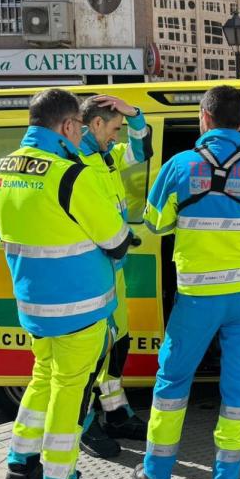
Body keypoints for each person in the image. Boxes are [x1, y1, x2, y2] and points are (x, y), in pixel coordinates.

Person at [132, 85, 240, 479]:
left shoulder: (178, 166)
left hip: (196, 298)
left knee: (172, 382)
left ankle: (156, 475)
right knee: (239, 389)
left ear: (203, 119)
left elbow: (155, 224)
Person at [0, 89, 132, 479]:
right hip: (80, 308)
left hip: (34, 305)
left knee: (40, 383)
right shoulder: (71, 174)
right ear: (69, 126)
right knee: (71, 394)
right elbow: (117, 240)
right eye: (75, 131)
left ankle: (19, 472)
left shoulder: (2, 170)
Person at [77, 95, 154, 458]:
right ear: (94, 125)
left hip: (114, 270)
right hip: (91, 273)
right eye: (114, 128)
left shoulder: (104, 158)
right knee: (90, 355)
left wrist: (134, 115)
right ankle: (84, 425)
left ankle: (115, 412)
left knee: (117, 343)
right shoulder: (76, 160)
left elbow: (141, 153)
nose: (116, 136)